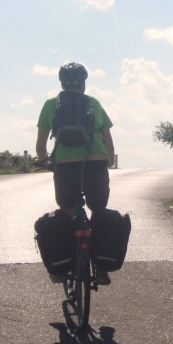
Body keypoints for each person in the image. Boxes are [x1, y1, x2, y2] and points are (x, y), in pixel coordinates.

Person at [36, 61, 115, 284]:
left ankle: (61, 267)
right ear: (83, 84)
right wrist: (106, 163)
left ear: (62, 83)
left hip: (66, 166)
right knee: (98, 211)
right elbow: (108, 140)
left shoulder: (51, 105)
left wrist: (44, 162)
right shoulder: (94, 103)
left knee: (66, 212)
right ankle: (101, 269)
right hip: (95, 163)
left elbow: (40, 145)